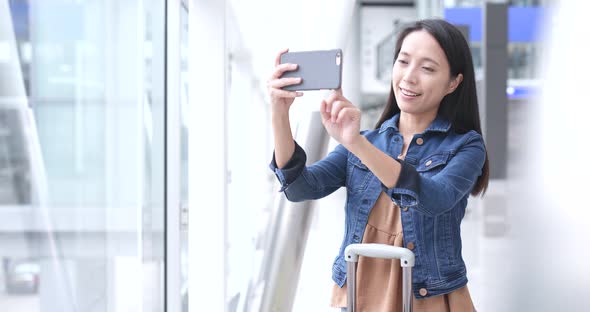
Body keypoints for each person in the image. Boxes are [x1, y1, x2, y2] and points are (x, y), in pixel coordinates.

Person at [267, 19, 489, 312]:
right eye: (403, 61)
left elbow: (435, 198)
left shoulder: (466, 146)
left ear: (453, 82)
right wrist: (279, 113)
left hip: (428, 295)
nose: (409, 77)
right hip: (360, 293)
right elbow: (298, 188)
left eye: (427, 68)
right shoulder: (367, 140)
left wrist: (357, 144)